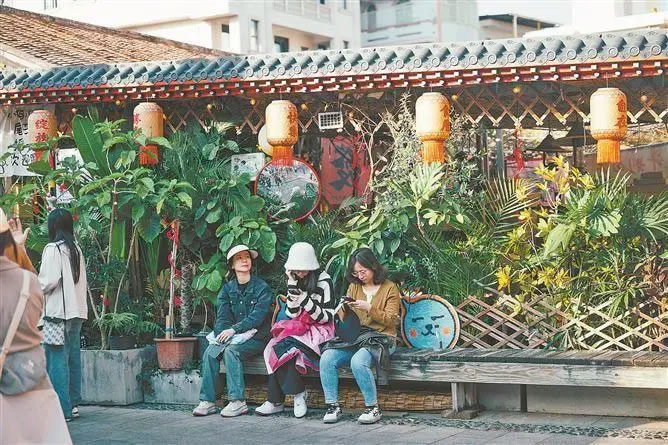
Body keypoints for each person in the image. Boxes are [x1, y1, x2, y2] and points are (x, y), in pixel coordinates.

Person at [0, 208, 72, 444]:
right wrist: (19, 251)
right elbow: (35, 287)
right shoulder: (27, 283)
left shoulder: (54, 250)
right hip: (33, 385)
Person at [319, 248, 401, 425]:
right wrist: (342, 310)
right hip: (358, 337)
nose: (360, 276)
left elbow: (392, 320)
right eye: (356, 273)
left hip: (382, 338)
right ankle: (333, 406)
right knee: (327, 357)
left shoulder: (390, 288)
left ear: (373, 267)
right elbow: (347, 320)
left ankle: (373, 407)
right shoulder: (354, 287)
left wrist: (369, 308)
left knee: (358, 361)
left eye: (363, 271)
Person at [256, 242, 336, 418]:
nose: (300, 273)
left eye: (303, 269)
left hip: (320, 330)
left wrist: (304, 299)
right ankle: (287, 397)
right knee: (271, 348)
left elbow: (326, 317)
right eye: (296, 269)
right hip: (299, 327)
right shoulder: (294, 279)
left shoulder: (324, 280)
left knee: (283, 349)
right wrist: (292, 285)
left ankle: (284, 398)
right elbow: (292, 313)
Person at [192, 244, 273, 418]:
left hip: (257, 338)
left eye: (247, 257)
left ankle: (237, 402)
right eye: (239, 258)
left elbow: (257, 318)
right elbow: (222, 318)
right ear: (232, 265)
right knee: (210, 352)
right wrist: (223, 334)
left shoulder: (262, 288)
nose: (245, 260)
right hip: (233, 337)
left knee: (231, 352)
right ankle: (208, 401)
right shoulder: (227, 290)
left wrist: (234, 330)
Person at [39, 208, 88, 422]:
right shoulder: (75, 248)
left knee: (56, 361)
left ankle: (62, 409)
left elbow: (47, 282)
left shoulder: (53, 249)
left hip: (58, 314)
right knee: (72, 358)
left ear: (52, 226)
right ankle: (73, 404)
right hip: (76, 312)